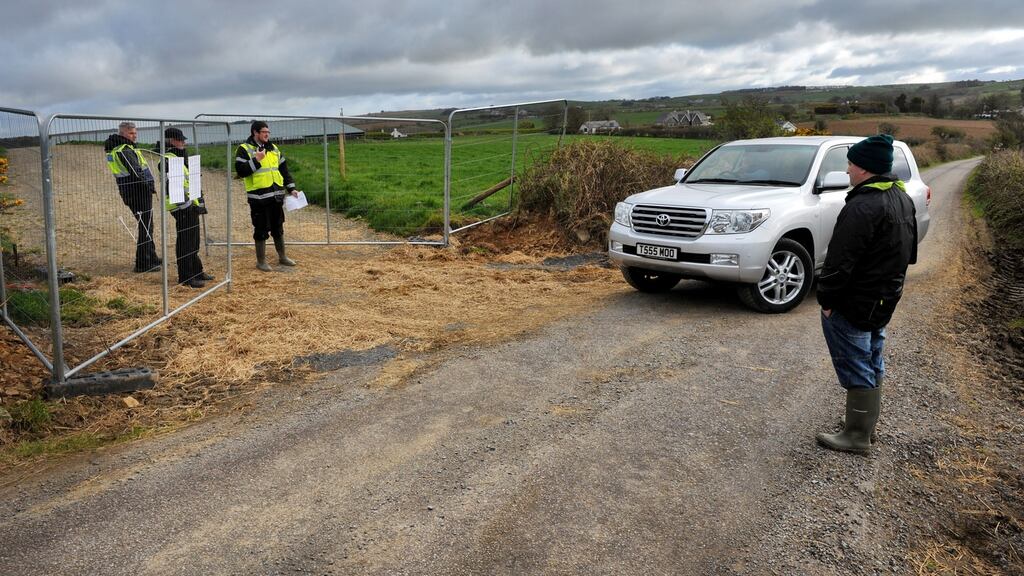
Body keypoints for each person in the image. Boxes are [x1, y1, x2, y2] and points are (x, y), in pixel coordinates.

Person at [816, 134, 918, 454]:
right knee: (873, 355)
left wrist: (828, 301)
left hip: (856, 301)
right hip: (883, 297)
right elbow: (910, 253)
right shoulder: (900, 197)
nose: (847, 169)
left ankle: (857, 436)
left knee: (857, 361)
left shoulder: (863, 206)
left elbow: (839, 261)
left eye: (850, 163)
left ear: (864, 168)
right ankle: (864, 427)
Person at [234, 121, 299, 271]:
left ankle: (282, 257)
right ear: (255, 133)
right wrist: (257, 160)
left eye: (268, 132)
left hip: (276, 196)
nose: (267, 135)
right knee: (261, 229)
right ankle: (261, 261)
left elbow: (284, 171)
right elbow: (240, 171)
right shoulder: (244, 149)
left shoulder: (274, 149)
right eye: (264, 132)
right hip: (258, 199)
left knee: (278, 227)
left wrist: (291, 188)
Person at [161, 127, 214, 288]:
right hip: (181, 207)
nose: (184, 142)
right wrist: (188, 206)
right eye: (180, 139)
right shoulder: (169, 159)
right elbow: (176, 187)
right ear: (171, 141)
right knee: (186, 242)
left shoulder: (179, 157)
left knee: (194, 240)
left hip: (190, 205)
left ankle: (197, 271)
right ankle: (185, 277)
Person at [105, 121, 161, 272]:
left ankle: (151, 256)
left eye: (135, 133)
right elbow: (137, 172)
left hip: (131, 191)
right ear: (122, 133)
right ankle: (142, 264)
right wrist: (150, 186)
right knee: (146, 226)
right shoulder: (124, 150)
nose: (134, 136)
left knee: (147, 225)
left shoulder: (119, 148)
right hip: (137, 192)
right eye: (131, 133)